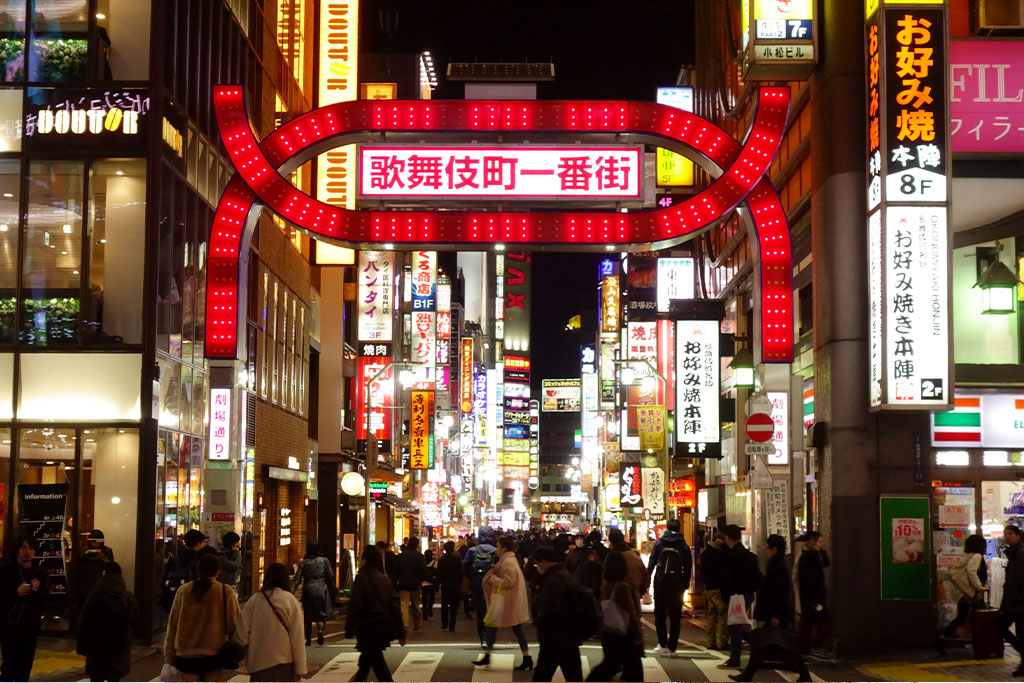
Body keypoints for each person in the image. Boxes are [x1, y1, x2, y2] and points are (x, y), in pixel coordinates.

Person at [729, 535, 810, 683]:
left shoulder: (777, 566)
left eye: (768, 547)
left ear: (774, 549)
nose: (766, 550)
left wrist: (775, 615)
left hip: (775, 613)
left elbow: (778, 592)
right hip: (775, 612)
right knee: (771, 643)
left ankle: (748, 674)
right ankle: (748, 674)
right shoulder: (777, 564)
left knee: (774, 643)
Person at [164, 553, 240, 682]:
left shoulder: (184, 590)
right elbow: (234, 622)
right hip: (213, 653)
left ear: (198, 570)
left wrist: (169, 658)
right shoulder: (224, 591)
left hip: (185, 653)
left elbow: (173, 625)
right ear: (218, 571)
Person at [233, 563, 306, 682]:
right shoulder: (290, 601)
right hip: (284, 666)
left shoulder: (254, 601)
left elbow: (241, 635)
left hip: (259, 666)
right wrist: (300, 669)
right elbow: (297, 637)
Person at [346, 545, 406, 682]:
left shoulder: (361, 578)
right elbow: (394, 607)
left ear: (364, 559)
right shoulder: (384, 579)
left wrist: (349, 627)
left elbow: (355, 604)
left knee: (372, 663)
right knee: (369, 662)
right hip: (382, 626)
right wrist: (401, 632)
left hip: (367, 627)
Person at [474, 536, 533, 671]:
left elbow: (509, 581)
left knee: (504, 627)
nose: (497, 549)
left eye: (498, 546)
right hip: (506, 600)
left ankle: (525, 658)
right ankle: (524, 657)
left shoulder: (508, 562)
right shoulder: (507, 560)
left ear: (504, 548)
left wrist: (494, 579)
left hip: (507, 600)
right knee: (498, 626)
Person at [586, 551, 643, 682]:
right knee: (631, 668)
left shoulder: (605, 584)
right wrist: (638, 636)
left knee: (611, 664)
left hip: (608, 630)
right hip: (623, 632)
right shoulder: (621, 586)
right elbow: (631, 613)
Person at [76, 562, 138, 682]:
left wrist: (81, 648)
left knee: (96, 678)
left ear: (103, 575)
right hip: (119, 648)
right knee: (114, 678)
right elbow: (135, 619)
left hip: (97, 647)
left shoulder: (94, 596)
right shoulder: (127, 596)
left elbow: (84, 623)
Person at [531, 545, 584, 682]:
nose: (537, 566)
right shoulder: (564, 574)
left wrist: (539, 622)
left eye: (537, 563)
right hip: (568, 636)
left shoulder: (553, 579)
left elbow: (550, 608)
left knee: (541, 676)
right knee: (573, 675)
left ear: (543, 561)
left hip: (555, 636)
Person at [0, 536, 48, 681]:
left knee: (25, 668)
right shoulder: (5, 571)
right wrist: (16, 592)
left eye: (31, 548)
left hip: (30, 628)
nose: (27, 552)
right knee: (9, 667)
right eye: (23, 548)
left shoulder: (39, 573)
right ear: (17, 550)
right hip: (9, 627)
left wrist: (35, 591)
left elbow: (45, 600)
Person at [937, 533, 989, 654]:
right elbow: (971, 572)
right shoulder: (976, 556)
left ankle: (942, 639)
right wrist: (979, 587)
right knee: (978, 619)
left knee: (961, 618)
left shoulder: (968, 556)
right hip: (971, 594)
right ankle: (981, 645)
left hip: (965, 594)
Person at [648, 519, 693, 657]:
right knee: (675, 616)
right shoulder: (683, 546)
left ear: (667, 528)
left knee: (659, 614)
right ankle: (672, 647)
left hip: (660, 583)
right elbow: (688, 567)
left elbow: (652, 562)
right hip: (677, 584)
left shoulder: (660, 543)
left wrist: (647, 580)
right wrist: (685, 584)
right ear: (679, 529)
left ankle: (662, 644)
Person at [718, 525, 761, 671]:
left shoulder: (734, 556)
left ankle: (736, 658)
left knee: (734, 626)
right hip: (747, 594)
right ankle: (757, 644)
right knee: (736, 624)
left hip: (737, 595)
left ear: (728, 538)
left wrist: (727, 595)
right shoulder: (747, 554)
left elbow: (731, 578)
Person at [292, 541, 333, 647]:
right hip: (321, 589)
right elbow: (331, 575)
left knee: (308, 616)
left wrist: (290, 592)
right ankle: (320, 631)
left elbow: (297, 579)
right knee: (321, 614)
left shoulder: (303, 562)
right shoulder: (324, 561)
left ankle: (308, 639)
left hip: (307, 590)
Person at [796, 531, 830, 657]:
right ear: (813, 542)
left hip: (811, 596)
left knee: (808, 623)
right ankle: (809, 648)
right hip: (812, 596)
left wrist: (820, 551)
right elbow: (810, 578)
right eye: (819, 542)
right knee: (819, 622)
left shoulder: (814, 555)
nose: (821, 544)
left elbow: (826, 563)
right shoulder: (809, 557)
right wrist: (814, 599)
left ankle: (805, 649)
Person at [464, 527, 499, 648]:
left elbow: (465, 568)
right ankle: (490, 639)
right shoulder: (496, 551)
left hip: (478, 586)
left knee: (480, 613)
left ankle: (483, 639)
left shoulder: (472, 550)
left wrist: (472, 578)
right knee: (492, 612)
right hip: (494, 586)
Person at [161, 529, 206, 612]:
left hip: (175, 600)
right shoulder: (201, 560)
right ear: (198, 544)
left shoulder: (175, 559)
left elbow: (164, 582)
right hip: (194, 602)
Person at [1000, 524, 1024, 676]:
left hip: (1020, 603)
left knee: (1021, 634)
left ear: (1018, 536)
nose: (1007, 536)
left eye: (1010, 533)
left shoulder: (1021, 554)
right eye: (1005, 533)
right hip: (1014, 603)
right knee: (1002, 627)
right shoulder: (1014, 553)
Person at [700, 532, 729, 650]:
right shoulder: (719, 553)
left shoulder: (705, 553)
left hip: (709, 588)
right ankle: (723, 641)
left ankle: (711, 641)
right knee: (722, 614)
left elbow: (701, 571)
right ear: (718, 541)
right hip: (718, 588)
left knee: (712, 614)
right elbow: (723, 572)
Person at [608, 528, 649, 610]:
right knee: (634, 620)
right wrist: (640, 592)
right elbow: (645, 576)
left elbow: (605, 581)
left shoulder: (610, 557)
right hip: (634, 595)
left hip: (615, 598)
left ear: (611, 541)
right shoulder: (634, 556)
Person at [77, 529, 114, 618]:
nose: (95, 544)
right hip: (86, 581)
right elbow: (79, 563)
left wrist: (102, 556)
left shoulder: (107, 550)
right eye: (93, 542)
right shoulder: (85, 550)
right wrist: (85, 555)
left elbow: (111, 564)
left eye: (97, 542)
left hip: (101, 579)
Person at [395, 536, 426, 633]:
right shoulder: (419, 556)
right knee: (416, 605)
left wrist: (395, 583)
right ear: (417, 545)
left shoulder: (401, 556)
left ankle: (405, 625)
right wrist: (421, 580)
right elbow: (423, 571)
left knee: (404, 605)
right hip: (415, 584)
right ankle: (417, 623)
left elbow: (396, 571)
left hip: (403, 584)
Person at [437, 541, 463, 632]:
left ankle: (444, 622)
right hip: (455, 585)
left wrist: (438, 585)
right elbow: (461, 573)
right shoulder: (457, 560)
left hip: (445, 584)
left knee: (444, 604)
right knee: (453, 605)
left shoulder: (441, 560)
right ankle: (452, 624)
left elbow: (439, 574)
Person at [422, 548, 438, 621]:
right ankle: (430, 608)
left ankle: (424, 613)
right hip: (432, 583)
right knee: (431, 598)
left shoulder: (422, 563)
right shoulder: (435, 563)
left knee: (424, 599)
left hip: (423, 583)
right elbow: (437, 575)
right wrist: (437, 586)